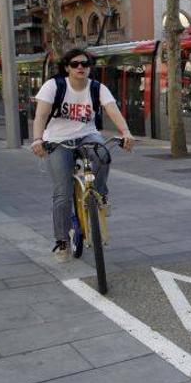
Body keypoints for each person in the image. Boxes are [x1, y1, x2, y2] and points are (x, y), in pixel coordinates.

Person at [30, 49, 134, 262]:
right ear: (67, 67)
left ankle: (101, 193)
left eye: (85, 64)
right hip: (57, 140)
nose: (80, 68)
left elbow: (112, 110)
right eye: (75, 64)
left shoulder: (97, 88)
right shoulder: (54, 86)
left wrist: (125, 132)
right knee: (63, 192)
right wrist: (37, 139)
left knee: (102, 153)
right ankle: (62, 241)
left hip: (87, 136)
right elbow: (40, 115)